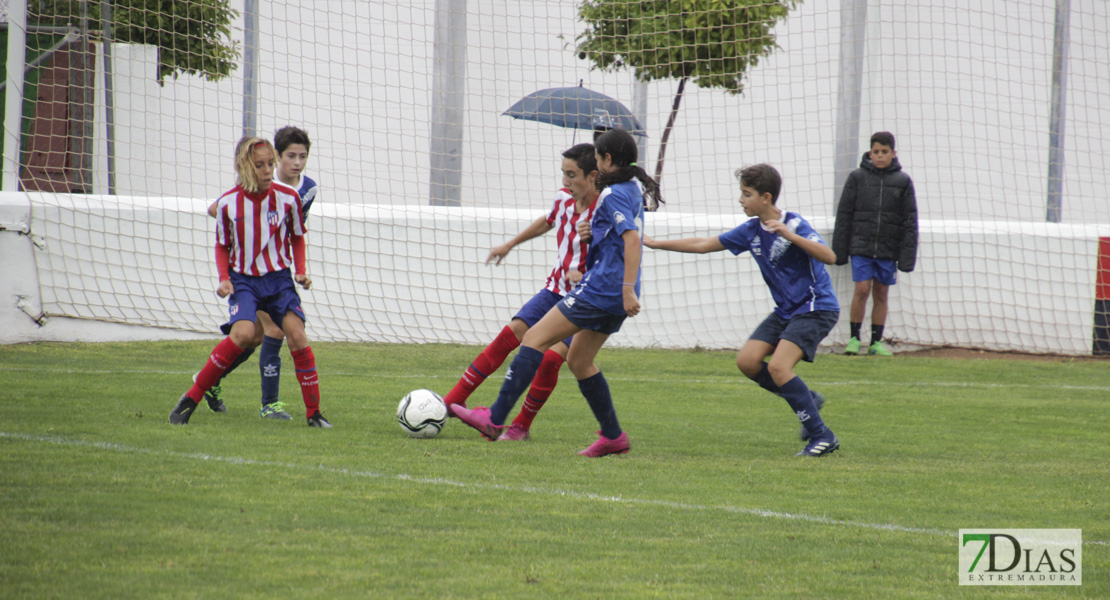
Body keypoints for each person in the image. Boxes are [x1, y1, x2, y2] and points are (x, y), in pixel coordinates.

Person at [450, 128, 661, 457]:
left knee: (534, 338)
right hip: (611, 291)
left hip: (602, 289)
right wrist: (595, 234)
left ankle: (495, 417)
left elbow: (632, 239)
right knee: (579, 361)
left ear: (605, 160)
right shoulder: (631, 187)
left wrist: (626, 291)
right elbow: (619, 237)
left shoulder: (613, 193)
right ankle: (613, 436)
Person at [644, 164, 840, 457]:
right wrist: (657, 244)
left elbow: (830, 256)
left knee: (778, 367)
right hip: (787, 309)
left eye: (746, 194)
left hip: (815, 307)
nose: (740, 200)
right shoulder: (750, 230)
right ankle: (807, 399)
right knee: (748, 362)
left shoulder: (794, 224)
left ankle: (822, 435)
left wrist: (790, 236)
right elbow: (702, 245)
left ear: (766, 197)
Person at [170, 136, 332, 428]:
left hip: (279, 280)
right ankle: (192, 397)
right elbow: (222, 245)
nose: (268, 170)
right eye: (260, 165)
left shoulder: (289, 197)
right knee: (245, 335)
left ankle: (315, 414)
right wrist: (223, 279)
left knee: (296, 335)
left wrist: (301, 271)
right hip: (244, 280)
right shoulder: (229, 203)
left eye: (270, 164)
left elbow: (297, 236)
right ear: (245, 167)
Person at [442, 143, 600, 441]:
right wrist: (510, 244)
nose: (565, 181)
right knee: (511, 333)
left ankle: (520, 427)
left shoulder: (602, 210)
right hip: (554, 290)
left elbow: (616, 255)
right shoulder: (563, 199)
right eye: (563, 173)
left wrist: (585, 274)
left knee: (552, 358)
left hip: (583, 299)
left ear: (592, 176)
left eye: (572, 174)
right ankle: (453, 401)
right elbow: (548, 220)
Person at [832, 131, 918, 356]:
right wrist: (839, 250)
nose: (880, 156)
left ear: (893, 153)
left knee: (881, 293)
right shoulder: (857, 177)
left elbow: (910, 219)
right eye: (876, 152)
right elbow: (844, 215)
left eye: (884, 152)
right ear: (870, 153)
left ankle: (875, 343)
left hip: (888, 249)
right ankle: (853, 339)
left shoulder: (903, 181)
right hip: (861, 246)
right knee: (861, 290)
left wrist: (907, 255)